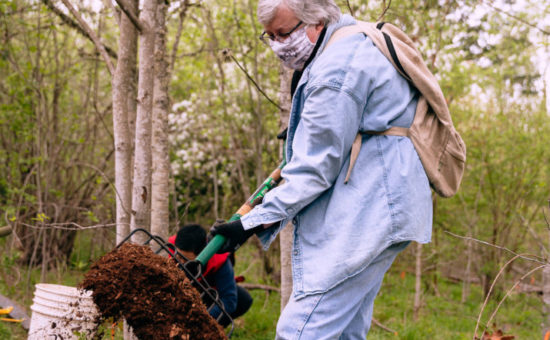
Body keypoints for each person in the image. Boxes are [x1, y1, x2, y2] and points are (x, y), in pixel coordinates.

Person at [210, 0, 433, 338]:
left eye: (284, 33)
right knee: (344, 331)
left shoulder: (335, 69)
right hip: (389, 203)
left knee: (301, 330)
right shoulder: (351, 41)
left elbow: (314, 170)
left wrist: (250, 223)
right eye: (269, 36)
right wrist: (310, 126)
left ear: (315, 22)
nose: (278, 45)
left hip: (372, 209)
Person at [169, 224, 253, 327]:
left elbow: (229, 301)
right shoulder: (173, 246)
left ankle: (214, 330)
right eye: (178, 257)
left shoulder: (219, 259)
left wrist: (201, 322)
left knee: (243, 299)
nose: (181, 262)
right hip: (183, 290)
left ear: (202, 254)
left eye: (185, 259)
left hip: (208, 291)